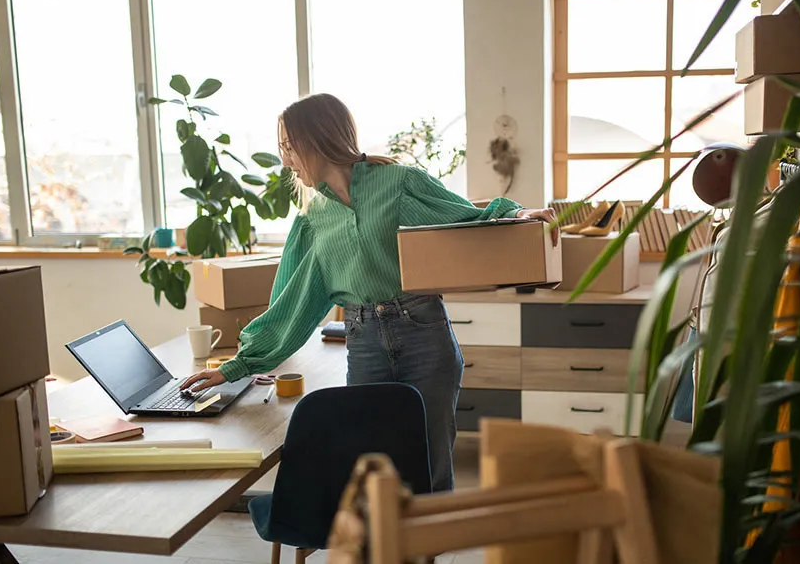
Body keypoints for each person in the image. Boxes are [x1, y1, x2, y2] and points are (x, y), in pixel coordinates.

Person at [181, 93, 558, 492]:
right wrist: (236, 366)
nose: (286, 161)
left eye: (289, 148)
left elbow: (463, 216)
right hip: (364, 345)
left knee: (430, 467)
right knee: (373, 472)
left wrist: (517, 215)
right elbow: (291, 305)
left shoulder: (398, 183)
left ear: (318, 138)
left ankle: (428, 546)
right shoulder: (313, 220)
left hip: (424, 335)